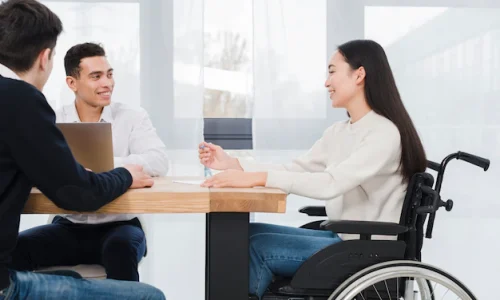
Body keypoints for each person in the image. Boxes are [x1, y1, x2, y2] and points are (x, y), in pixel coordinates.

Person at [198, 39, 427, 298]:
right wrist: (234, 164)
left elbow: (331, 183)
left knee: (252, 246)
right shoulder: (341, 131)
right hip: (344, 239)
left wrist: (258, 178)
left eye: (332, 71)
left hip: (366, 250)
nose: (326, 83)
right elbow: (297, 168)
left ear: (359, 74)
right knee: (245, 234)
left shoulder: (383, 134)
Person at [0, 0, 164, 299]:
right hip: (68, 225)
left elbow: (158, 160)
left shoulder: (132, 116)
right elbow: (76, 192)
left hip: (119, 225)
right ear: (45, 59)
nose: (107, 83)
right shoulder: (33, 107)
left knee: (120, 250)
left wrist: (104, 169)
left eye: (109, 74)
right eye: (96, 76)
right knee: (150, 295)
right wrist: (122, 173)